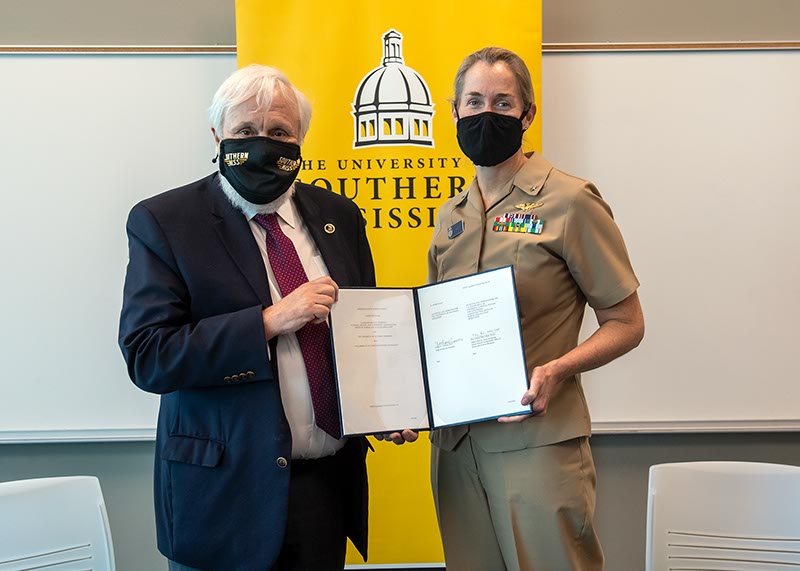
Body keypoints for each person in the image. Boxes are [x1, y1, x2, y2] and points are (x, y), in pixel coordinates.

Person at [118, 64, 379, 571]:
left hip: (323, 490)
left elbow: (362, 333)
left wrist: (382, 409)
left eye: (280, 132)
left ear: (301, 140)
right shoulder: (166, 222)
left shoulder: (338, 215)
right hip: (222, 496)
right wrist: (267, 321)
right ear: (217, 136)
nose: (263, 144)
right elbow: (149, 356)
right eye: (245, 131)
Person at [427, 47, 645, 570]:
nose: (486, 114)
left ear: (527, 115)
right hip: (457, 448)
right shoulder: (450, 216)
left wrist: (558, 368)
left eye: (503, 103)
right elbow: (435, 331)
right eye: (474, 101)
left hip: (537, 443)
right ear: (453, 112)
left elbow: (627, 322)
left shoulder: (570, 202)